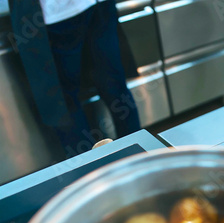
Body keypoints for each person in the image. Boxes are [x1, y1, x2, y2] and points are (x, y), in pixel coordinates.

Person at [9, 0, 141, 157]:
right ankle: (137, 155)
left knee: (65, 102)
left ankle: (90, 172)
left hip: (57, 16)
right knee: (115, 85)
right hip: (95, 7)